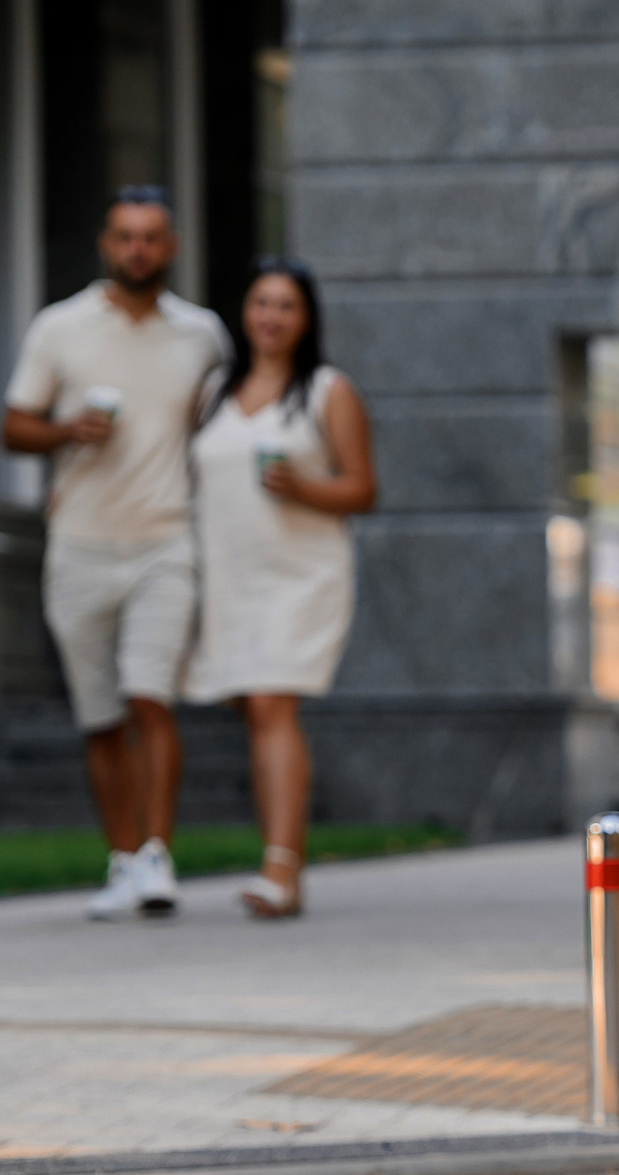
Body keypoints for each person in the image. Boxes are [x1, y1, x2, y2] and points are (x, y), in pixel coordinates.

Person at [0, 188, 232, 921]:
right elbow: (12, 428)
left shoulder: (204, 336)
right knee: (100, 717)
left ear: (172, 247)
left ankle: (159, 855)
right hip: (79, 546)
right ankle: (124, 858)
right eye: (126, 236)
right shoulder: (60, 327)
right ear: (107, 242)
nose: (138, 249)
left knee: (148, 695)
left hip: (167, 539)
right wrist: (67, 431)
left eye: (152, 237)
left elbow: (221, 430)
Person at [184, 259, 379, 918]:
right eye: (261, 302)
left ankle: (280, 869)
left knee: (272, 705)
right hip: (228, 573)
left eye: (286, 305)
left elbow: (363, 488)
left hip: (300, 574)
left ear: (307, 318)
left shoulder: (327, 391)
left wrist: (304, 487)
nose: (271, 316)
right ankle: (284, 858)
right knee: (256, 711)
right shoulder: (212, 391)